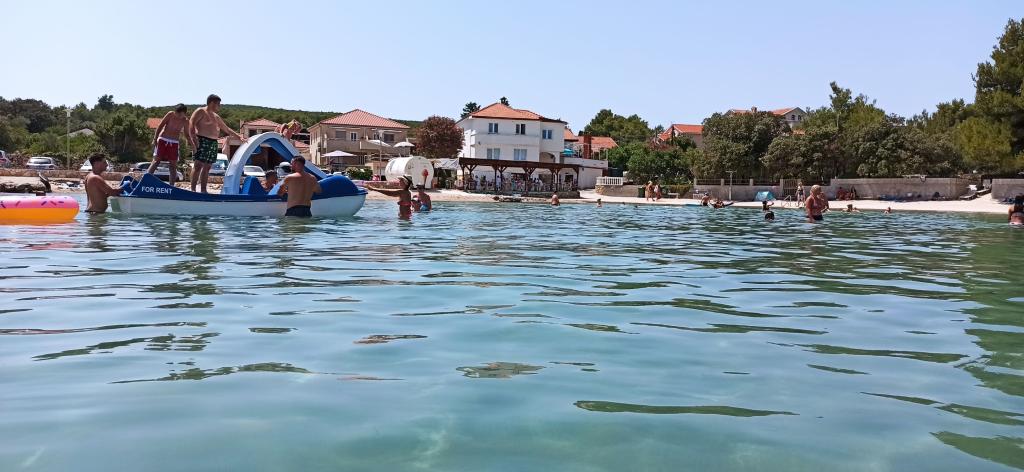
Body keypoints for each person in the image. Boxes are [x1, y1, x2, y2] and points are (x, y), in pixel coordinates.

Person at [189, 94, 245, 193]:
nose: (219, 106)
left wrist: (239, 137)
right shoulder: (200, 111)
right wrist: (194, 140)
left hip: (213, 143)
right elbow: (191, 124)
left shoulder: (216, 116)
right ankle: (192, 190)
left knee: (207, 167)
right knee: (198, 165)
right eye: (218, 104)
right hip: (202, 140)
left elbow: (226, 129)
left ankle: (203, 190)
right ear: (212, 103)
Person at [148, 103, 188, 185]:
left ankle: (171, 186)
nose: (178, 116)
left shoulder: (185, 121)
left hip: (174, 142)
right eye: (177, 113)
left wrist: (193, 145)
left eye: (180, 114)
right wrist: (155, 139)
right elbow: (160, 126)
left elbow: (187, 134)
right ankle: (145, 181)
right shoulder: (170, 114)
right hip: (163, 139)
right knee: (156, 161)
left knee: (173, 165)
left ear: (184, 113)